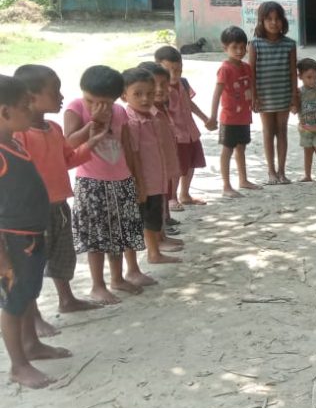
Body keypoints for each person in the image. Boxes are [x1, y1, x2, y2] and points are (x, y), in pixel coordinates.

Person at [13, 65, 105, 337]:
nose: (61, 96)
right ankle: (34, 316)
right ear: (30, 97)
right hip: (33, 212)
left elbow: (67, 160)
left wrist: (90, 143)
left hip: (59, 205)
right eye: (55, 91)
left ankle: (67, 299)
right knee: (32, 264)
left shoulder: (53, 128)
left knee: (62, 254)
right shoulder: (20, 135)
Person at [0, 74, 71, 389]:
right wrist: (2, 256)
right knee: (13, 302)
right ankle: (18, 365)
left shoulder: (13, 142)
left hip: (30, 236)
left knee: (28, 292)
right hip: (11, 241)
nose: (31, 110)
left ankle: (31, 344)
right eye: (25, 105)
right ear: (5, 112)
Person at [65, 66, 147, 305]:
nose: (97, 106)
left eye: (104, 103)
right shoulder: (75, 108)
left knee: (119, 233)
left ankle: (118, 278)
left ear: (116, 98)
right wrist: (93, 122)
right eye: (91, 100)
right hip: (92, 183)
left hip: (121, 180)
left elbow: (127, 147)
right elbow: (69, 144)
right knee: (97, 237)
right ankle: (97, 285)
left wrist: (137, 179)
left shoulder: (120, 112)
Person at [122, 68, 182, 269]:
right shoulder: (132, 121)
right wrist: (139, 183)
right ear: (124, 95)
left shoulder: (152, 116)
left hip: (157, 179)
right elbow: (134, 155)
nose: (145, 99)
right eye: (137, 94)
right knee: (146, 220)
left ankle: (155, 251)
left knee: (154, 218)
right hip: (144, 183)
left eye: (149, 93)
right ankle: (153, 254)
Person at [155, 46, 211, 210]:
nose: (174, 75)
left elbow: (189, 103)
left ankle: (185, 194)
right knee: (176, 168)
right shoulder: (159, 90)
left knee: (191, 164)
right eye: (169, 71)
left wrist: (204, 118)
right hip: (175, 135)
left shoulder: (183, 83)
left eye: (178, 70)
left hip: (190, 131)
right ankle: (172, 197)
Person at [250, 1, 298, 185]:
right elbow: (251, 72)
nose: (273, 22)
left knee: (282, 131)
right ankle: (271, 172)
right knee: (268, 132)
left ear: (283, 21)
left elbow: (293, 73)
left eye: (277, 19)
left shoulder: (289, 44)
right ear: (261, 21)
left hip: (284, 95)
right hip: (264, 97)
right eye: (269, 19)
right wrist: (254, 96)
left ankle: (282, 171)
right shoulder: (255, 44)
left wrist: (294, 97)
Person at [209, 26, 260, 198]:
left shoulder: (246, 67)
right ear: (225, 48)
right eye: (234, 47)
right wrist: (213, 116)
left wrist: (255, 100)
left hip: (244, 116)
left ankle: (243, 180)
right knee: (227, 151)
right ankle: (226, 185)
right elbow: (217, 94)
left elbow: (251, 86)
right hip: (229, 118)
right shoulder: (225, 69)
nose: (239, 51)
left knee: (241, 148)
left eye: (242, 47)